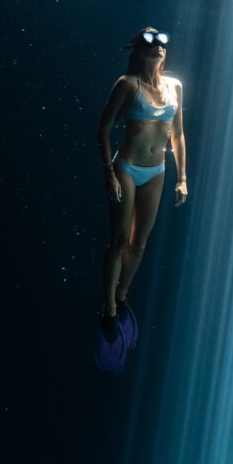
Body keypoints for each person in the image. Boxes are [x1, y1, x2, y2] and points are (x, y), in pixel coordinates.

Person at [95, 27, 188, 371]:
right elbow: (103, 127)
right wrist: (108, 171)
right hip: (127, 168)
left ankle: (120, 294)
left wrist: (182, 178)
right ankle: (108, 308)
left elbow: (177, 134)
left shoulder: (175, 86)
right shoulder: (127, 85)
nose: (159, 48)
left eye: (162, 42)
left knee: (141, 244)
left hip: (157, 170)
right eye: (151, 43)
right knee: (119, 241)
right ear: (138, 50)